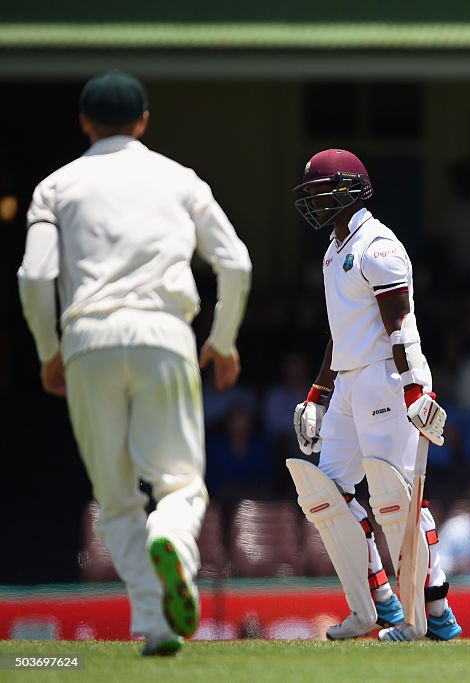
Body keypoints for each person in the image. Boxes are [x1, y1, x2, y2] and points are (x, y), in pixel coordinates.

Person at [17, 69, 252, 657]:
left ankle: (156, 622)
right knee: (179, 486)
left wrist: (49, 351)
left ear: (84, 122)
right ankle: (170, 538)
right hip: (164, 334)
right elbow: (237, 263)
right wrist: (221, 340)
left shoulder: (56, 185)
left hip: (87, 340)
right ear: (144, 121)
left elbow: (34, 276)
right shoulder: (177, 179)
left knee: (115, 499)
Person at [287, 148, 461, 642]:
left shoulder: (378, 246)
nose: (314, 203)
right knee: (328, 495)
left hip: (388, 377)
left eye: (321, 192)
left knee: (397, 500)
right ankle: (376, 604)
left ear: (348, 191)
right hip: (348, 380)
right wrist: (318, 394)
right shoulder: (332, 249)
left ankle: (430, 616)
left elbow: (400, 327)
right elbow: (342, 332)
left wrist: (412, 391)